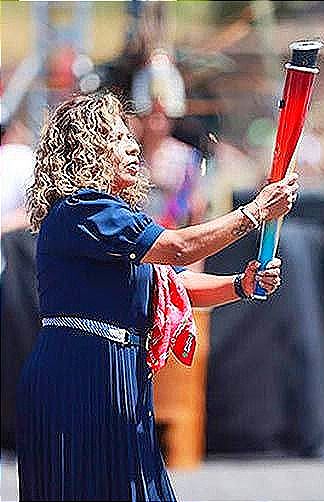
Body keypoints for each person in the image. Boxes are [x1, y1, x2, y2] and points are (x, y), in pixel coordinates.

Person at [16, 92, 298, 501]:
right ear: (86, 152)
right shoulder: (82, 211)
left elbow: (172, 283)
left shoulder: (118, 220)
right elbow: (180, 249)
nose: (132, 146)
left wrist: (241, 284)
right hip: (79, 374)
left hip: (120, 376)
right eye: (116, 139)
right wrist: (254, 213)